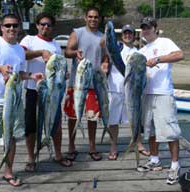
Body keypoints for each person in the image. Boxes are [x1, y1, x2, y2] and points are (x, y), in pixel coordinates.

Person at [0, 14, 43, 191]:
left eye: (15, 26)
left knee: (11, 138)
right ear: (2, 27)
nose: (11, 29)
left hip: (14, 101)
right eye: (8, 26)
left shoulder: (20, 50)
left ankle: (8, 172)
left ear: (19, 27)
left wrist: (30, 76)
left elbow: (17, 74)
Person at [20, 12, 72, 171]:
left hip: (53, 93)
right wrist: (40, 52)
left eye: (48, 24)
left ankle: (58, 154)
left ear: (52, 27)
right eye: (42, 24)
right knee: (32, 125)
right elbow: (21, 55)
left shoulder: (56, 45)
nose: (45, 27)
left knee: (55, 124)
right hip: (33, 90)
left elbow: (60, 67)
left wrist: (64, 74)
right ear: (37, 25)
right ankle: (31, 158)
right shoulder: (29, 40)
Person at [137, 16, 184, 185]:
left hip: (163, 93)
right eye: (144, 27)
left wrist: (158, 59)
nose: (146, 30)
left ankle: (175, 165)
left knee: (170, 131)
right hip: (146, 95)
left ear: (155, 28)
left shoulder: (165, 42)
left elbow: (180, 55)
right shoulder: (141, 51)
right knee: (150, 130)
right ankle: (154, 159)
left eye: (149, 27)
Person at [101, 24, 150, 160]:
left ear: (134, 35)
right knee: (113, 120)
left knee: (136, 118)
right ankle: (113, 147)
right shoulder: (116, 47)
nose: (127, 35)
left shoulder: (139, 52)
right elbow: (105, 53)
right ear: (121, 35)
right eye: (125, 33)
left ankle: (139, 144)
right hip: (115, 88)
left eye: (130, 33)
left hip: (133, 91)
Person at [64, 7, 103, 161]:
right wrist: (75, 53)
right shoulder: (77, 32)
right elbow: (67, 51)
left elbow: (106, 57)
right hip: (77, 83)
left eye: (96, 17)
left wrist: (105, 64)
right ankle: (71, 146)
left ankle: (92, 147)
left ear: (99, 19)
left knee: (92, 118)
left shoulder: (103, 36)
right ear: (85, 17)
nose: (93, 19)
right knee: (73, 116)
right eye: (90, 16)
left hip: (95, 85)